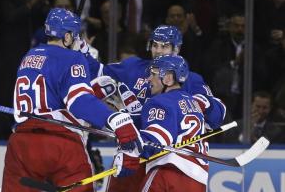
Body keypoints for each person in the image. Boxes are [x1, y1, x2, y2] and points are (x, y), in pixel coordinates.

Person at [2, 8, 143, 192]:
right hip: (60, 144)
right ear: (67, 37)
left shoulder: (28, 56)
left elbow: (53, 94)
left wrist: (94, 90)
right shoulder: (73, 58)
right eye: (76, 36)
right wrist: (115, 120)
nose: (78, 40)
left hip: (20, 144)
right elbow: (78, 101)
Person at [79, 25, 225, 192]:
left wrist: (198, 102)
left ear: (176, 48)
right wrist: (81, 49)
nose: (158, 51)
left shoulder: (190, 79)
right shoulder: (133, 67)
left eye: (164, 46)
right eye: (155, 45)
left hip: (163, 157)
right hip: (133, 151)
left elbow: (217, 115)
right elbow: (97, 72)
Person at [137, 54, 208, 192]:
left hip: (168, 174)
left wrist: (129, 145)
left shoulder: (160, 102)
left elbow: (156, 140)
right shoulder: (193, 103)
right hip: (198, 182)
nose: (149, 79)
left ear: (168, 78)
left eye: (154, 74)